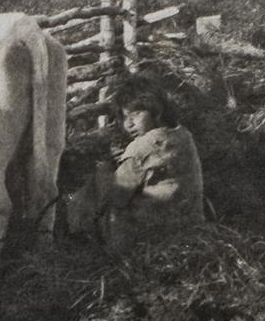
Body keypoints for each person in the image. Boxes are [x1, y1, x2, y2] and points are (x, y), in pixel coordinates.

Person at [68, 76, 205, 254]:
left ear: (157, 110)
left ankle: (76, 233)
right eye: (125, 116)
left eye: (136, 114)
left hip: (146, 237)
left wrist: (106, 175)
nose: (129, 123)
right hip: (187, 225)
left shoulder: (142, 147)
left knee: (102, 175)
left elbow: (116, 195)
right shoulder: (183, 135)